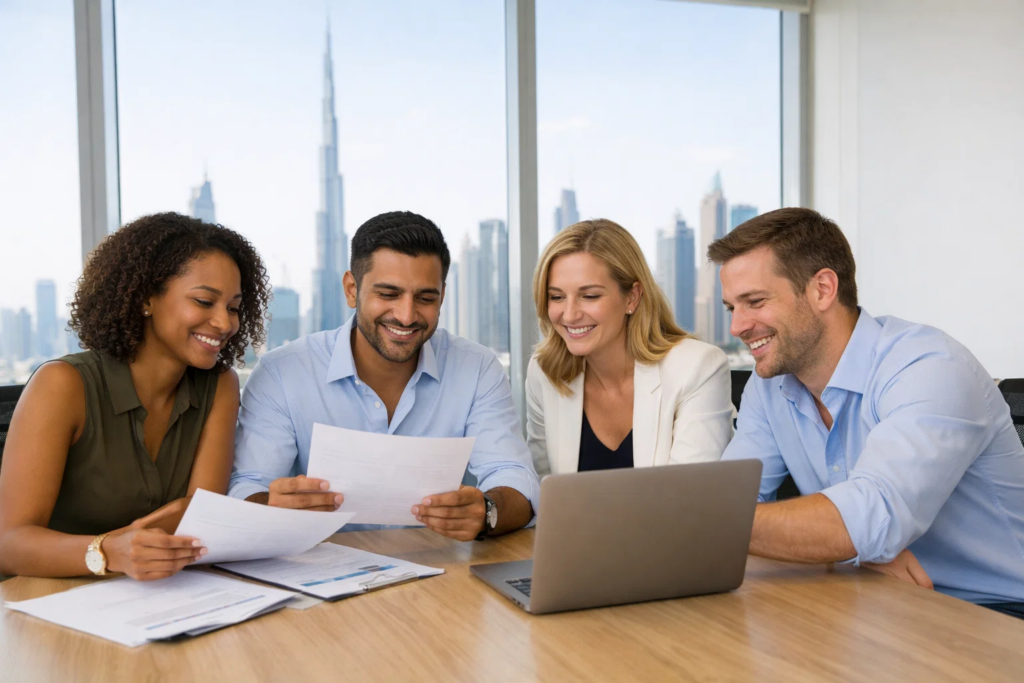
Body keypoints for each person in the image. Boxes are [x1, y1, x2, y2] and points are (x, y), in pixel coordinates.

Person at [714, 207, 1024, 616]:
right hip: (879, 601)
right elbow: (730, 498)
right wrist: (848, 551)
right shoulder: (768, 387)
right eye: (730, 308)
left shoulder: (929, 367)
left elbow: (866, 518)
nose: (737, 327)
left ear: (823, 289)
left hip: (999, 612)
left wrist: (848, 542)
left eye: (754, 302)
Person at [229, 211, 538, 541]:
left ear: (443, 295)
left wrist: (488, 511)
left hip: (445, 574)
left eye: (425, 298)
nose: (406, 316)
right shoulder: (282, 373)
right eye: (388, 294)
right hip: (323, 571)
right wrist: (271, 509)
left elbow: (516, 478)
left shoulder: (477, 368)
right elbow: (248, 486)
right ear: (352, 289)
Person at [0, 213, 270, 580]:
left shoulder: (219, 384)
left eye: (234, 308)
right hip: (54, 598)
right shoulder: (62, 385)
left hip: (166, 595)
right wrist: (110, 551)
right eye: (205, 302)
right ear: (146, 299)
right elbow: (10, 544)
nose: (225, 323)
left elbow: (201, 513)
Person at [526, 219, 732, 475]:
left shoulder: (697, 367)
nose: (569, 315)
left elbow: (689, 497)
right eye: (556, 297)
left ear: (631, 297)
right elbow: (541, 489)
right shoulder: (544, 371)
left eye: (589, 296)